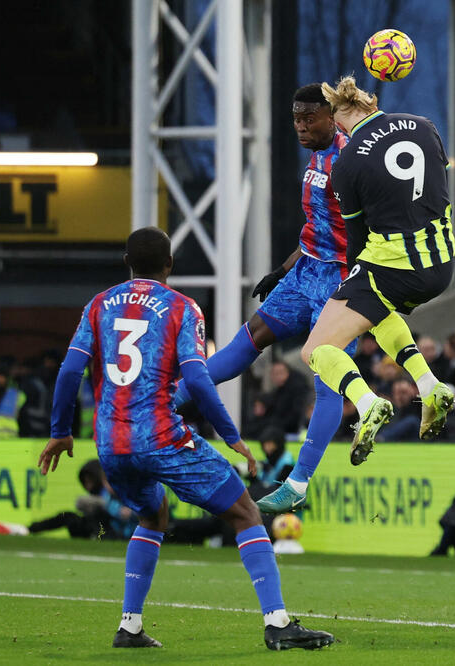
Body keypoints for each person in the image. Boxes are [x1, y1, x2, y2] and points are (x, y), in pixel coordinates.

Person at [37, 227, 333, 651]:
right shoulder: (181, 307)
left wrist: (60, 432)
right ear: (170, 266)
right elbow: (196, 376)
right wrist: (231, 436)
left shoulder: (99, 304)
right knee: (247, 512)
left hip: (111, 445)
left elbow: (69, 371)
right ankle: (278, 622)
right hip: (160, 437)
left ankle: (130, 626)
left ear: (126, 263)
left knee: (152, 515)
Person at [172, 84, 352, 516]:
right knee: (249, 337)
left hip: (341, 281)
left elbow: (369, 227)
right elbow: (315, 229)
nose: (301, 126)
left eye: (310, 118)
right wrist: (283, 269)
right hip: (305, 270)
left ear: (332, 117)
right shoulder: (315, 160)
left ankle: (299, 480)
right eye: (296, 119)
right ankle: (164, 402)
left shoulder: (352, 162)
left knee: (326, 377)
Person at [302, 76, 455, 467]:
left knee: (316, 349)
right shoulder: (425, 126)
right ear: (371, 103)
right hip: (443, 263)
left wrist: (347, 281)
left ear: (338, 120)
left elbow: (356, 240)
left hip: (394, 267)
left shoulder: (347, 162)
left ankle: (368, 402)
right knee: (374, 310)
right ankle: (429, 384)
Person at [0, 459, 136, 540]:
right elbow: (80, 504)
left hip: (117, 535)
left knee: (98, 513)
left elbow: (130, 514)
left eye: (91, 481)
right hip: (97, 530)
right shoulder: (103, 495)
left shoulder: (125, 492)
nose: (88, 486)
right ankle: (27, 529)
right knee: (68, 516)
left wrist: (108, 507)